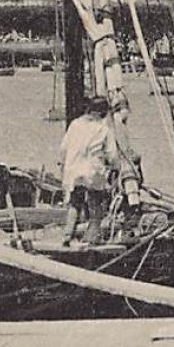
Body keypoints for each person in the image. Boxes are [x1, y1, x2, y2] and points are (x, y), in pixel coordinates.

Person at [59, 95, 117, 245]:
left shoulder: (75, 124)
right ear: (100, 113)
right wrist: (114, 168)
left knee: (74, 203)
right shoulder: (104, 129)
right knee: (96, 206)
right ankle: (91, 238)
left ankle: (67, 236)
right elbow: (112, 155)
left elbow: (63, 149)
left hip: (73, 171)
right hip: (92, 171)